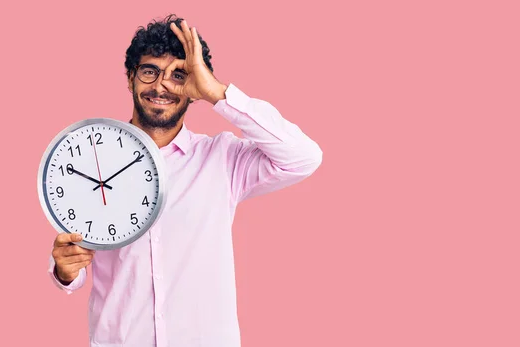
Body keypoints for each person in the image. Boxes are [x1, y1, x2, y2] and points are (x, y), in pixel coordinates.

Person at [48, 14, 322, 347]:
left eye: (178, 75)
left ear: (193, 88)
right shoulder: (90, 161)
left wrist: (218, 93)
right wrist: (65, 269)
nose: (162, 85)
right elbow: (74, 257)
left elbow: (304, 157)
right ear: (131, 78)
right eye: (150, 71)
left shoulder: (223, 158)